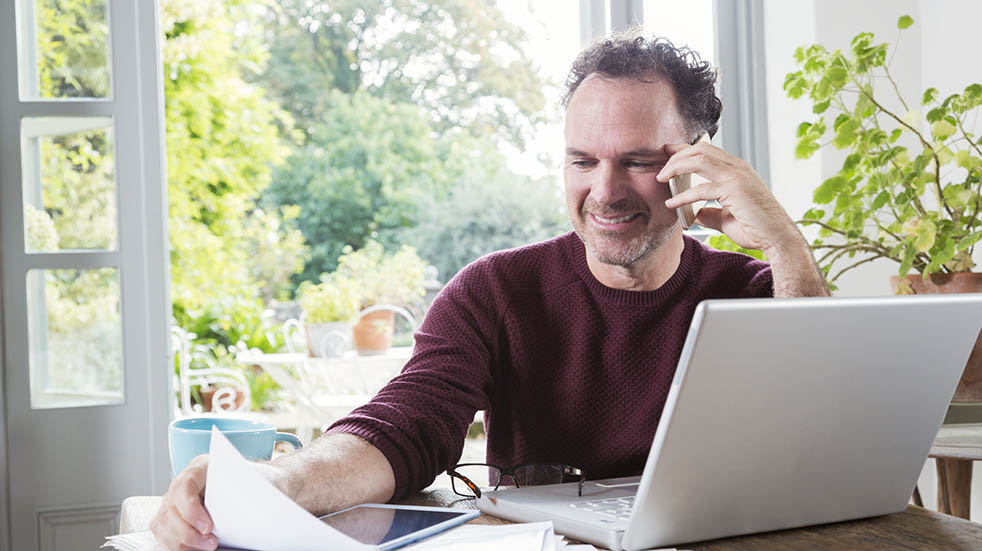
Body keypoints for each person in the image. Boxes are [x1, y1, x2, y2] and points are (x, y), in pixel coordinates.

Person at [151, 34, 829, 550]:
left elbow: (820, 434)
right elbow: (404, 425)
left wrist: (786, 244)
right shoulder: (495, 291)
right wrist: (277, 481)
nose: (605, 190)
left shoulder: (759, 293)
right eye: (582, 160)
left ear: (696, 164)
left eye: (639, 161)